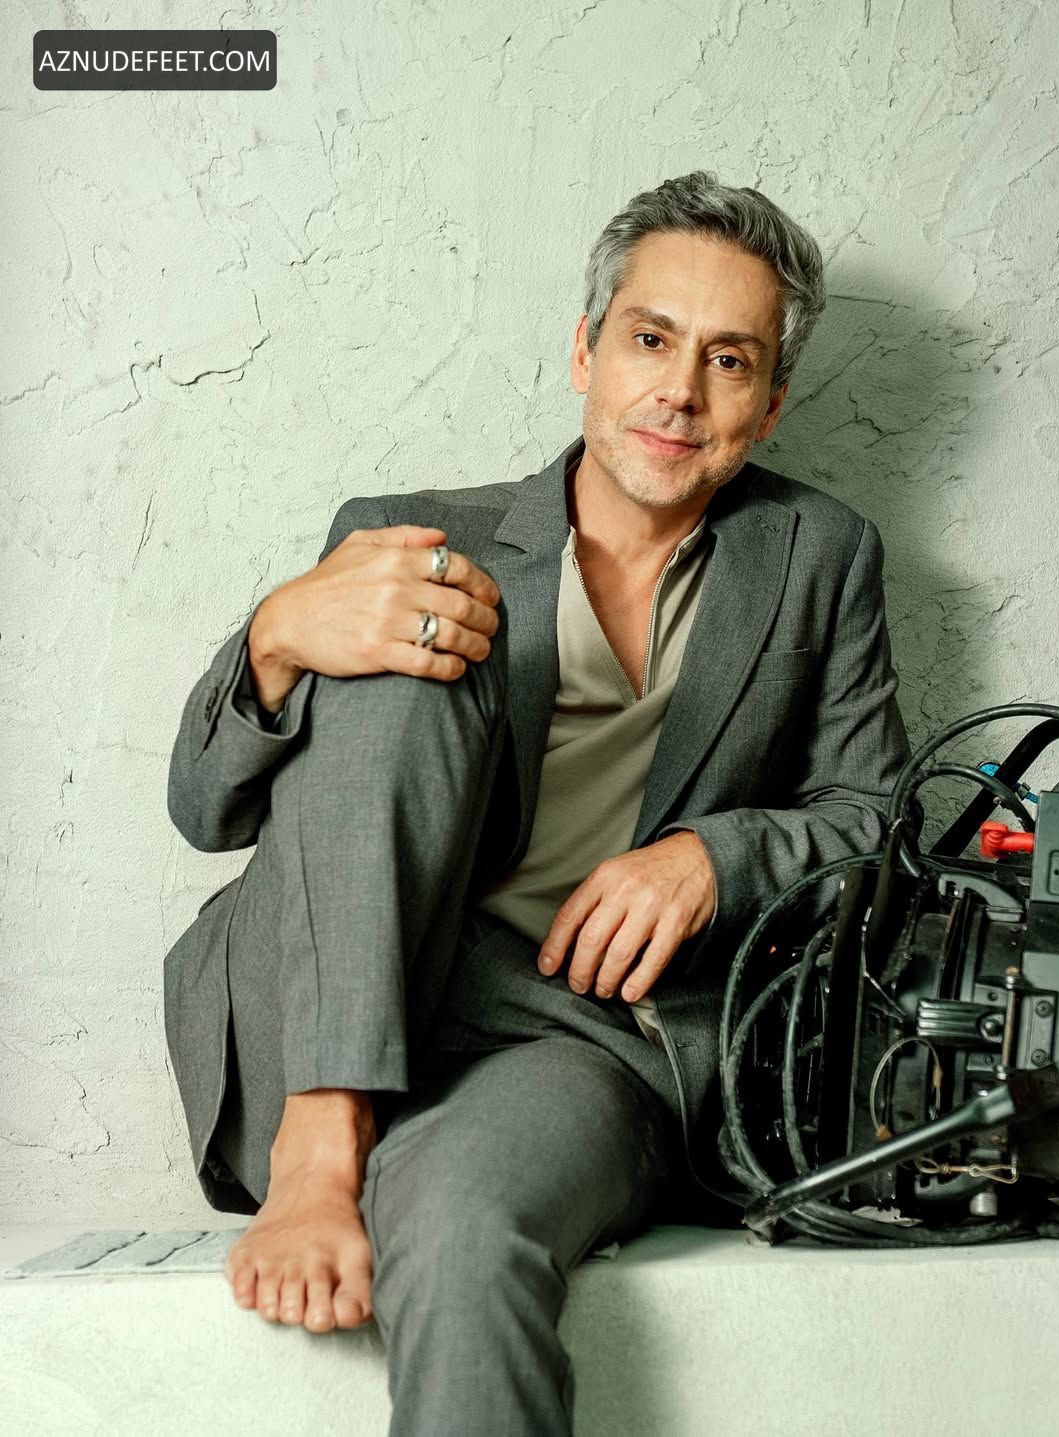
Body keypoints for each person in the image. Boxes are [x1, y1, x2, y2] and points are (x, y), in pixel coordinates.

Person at [163, 171, 911, 1433]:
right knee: (408, 632)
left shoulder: (819, 558)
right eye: (650, 339)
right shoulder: (404, 529)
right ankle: (322, 1136)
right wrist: (278, 635)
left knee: (461, 1228)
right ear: (585, 351)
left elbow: (874, 821)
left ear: (771, 403)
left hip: (572, 1041)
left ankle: (380, 1161)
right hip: (329, 988)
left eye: (730, 360)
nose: (680, 390)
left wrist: (714, 860)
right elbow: (205, 811)